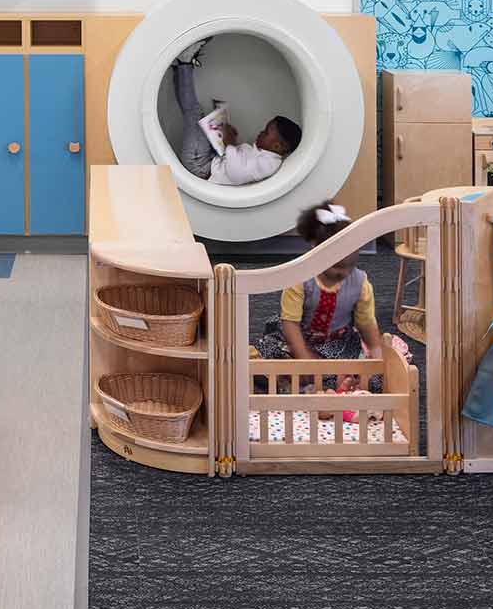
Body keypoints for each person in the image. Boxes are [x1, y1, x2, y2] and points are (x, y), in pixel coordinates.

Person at [257, 202, 397, 392]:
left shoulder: (360, 283)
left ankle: (330, 384)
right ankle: (303, 382)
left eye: (349, 266)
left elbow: (366, 323)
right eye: (336, 267)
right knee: (273, 359)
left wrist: (375, 351)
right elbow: (290, 323)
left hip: (337, 343)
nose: (343, 272)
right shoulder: (299, 279)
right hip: (299, 338)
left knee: (369, 377)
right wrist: (303, 357)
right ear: (316, 253)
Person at [167, 37, 300, 186]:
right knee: (192, 113)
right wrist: (230, 141)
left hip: (199, 165)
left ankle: (184, 62)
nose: (261, 132)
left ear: (277, 146)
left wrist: (230, 143)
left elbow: (236, 174)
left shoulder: (269, 164)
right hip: (209, 162)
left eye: (266, 132)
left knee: (193, 113)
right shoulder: (267, 157)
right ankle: (180, 66)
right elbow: (239, 165)